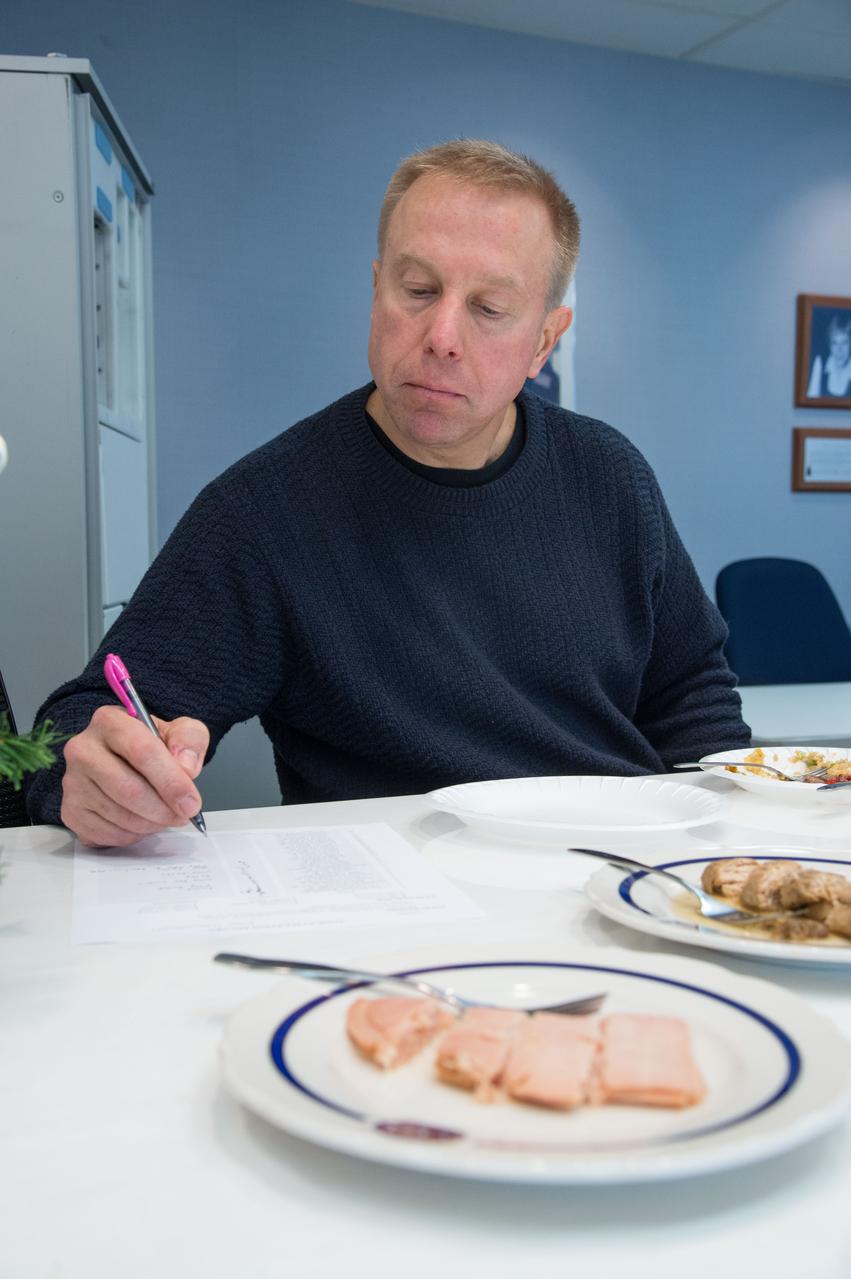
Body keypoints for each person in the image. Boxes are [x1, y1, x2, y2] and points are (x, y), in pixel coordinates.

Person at [25, 139, 749, 847]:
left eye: (489, 307)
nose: (440, 335)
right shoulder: (266, 510)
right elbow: (84, 720)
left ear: (543, 342)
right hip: (404, 905)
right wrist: (90, 777)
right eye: (417, 290)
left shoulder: (611, 477)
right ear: (376, 292)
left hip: (615, 869)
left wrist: (712, 847)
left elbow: (692, 696)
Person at [807, 313, 851, 398]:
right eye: (834, 343)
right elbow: (811, 400)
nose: (839, 349)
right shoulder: (820, 362)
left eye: (844, 342)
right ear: (829, 345)